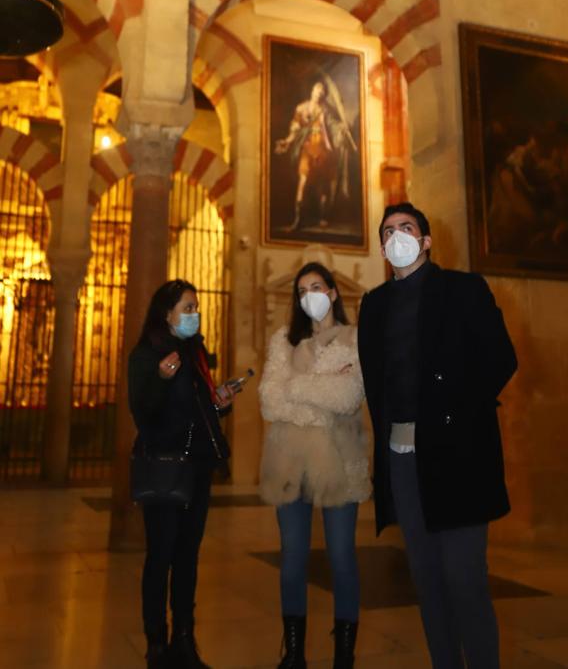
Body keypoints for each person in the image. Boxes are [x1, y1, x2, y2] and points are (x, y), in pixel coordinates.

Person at [357, 203, 517, 669]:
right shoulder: (375, 305)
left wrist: (454, 413)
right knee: (426, 580)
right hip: (402, 458)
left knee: (464, 579)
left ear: (426, 241)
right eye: (388, 231)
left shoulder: (463, 290)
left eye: (406, 228)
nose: (397, 236)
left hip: (458, 455)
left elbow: (500, 359)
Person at [259, 261, 370, 669]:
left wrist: (297, 388)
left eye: (317, 287)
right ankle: (294, 654)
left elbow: (347, 397)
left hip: (340, 463)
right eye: (302, 290)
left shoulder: (356, 339)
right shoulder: (282, 341)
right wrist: (319, 389)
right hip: (289, 464)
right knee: (292, 560)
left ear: (334, 292)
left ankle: (344, 656)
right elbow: (270, 401)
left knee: (342, 558)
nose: (310, 296)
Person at [128, 279, 233, 669]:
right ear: (166, 313)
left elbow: (200, 409)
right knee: (161, 556)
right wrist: (161, 379)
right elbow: (141, 411)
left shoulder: (196, 353)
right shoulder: (146, 356)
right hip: (165, 467)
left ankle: (184, 639)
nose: (194, 314)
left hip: (197, 467)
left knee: (188, 555)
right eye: (187, 308)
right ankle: (156, 644)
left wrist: (219, 401)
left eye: (196, 308)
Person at [275, 80, 356, 231]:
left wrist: (341, 129)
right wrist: (287, 141)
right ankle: (298, 219)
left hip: (324, 149)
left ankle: (323, 217)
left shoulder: (326, 110)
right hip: (308, 148)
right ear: (312, 91)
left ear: (323, 95)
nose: (318, 94)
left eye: (321, 92)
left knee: (324, 185)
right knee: (303, 182)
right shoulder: (302, 108)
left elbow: (333, 126)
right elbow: (295, 127)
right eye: (316, 91)